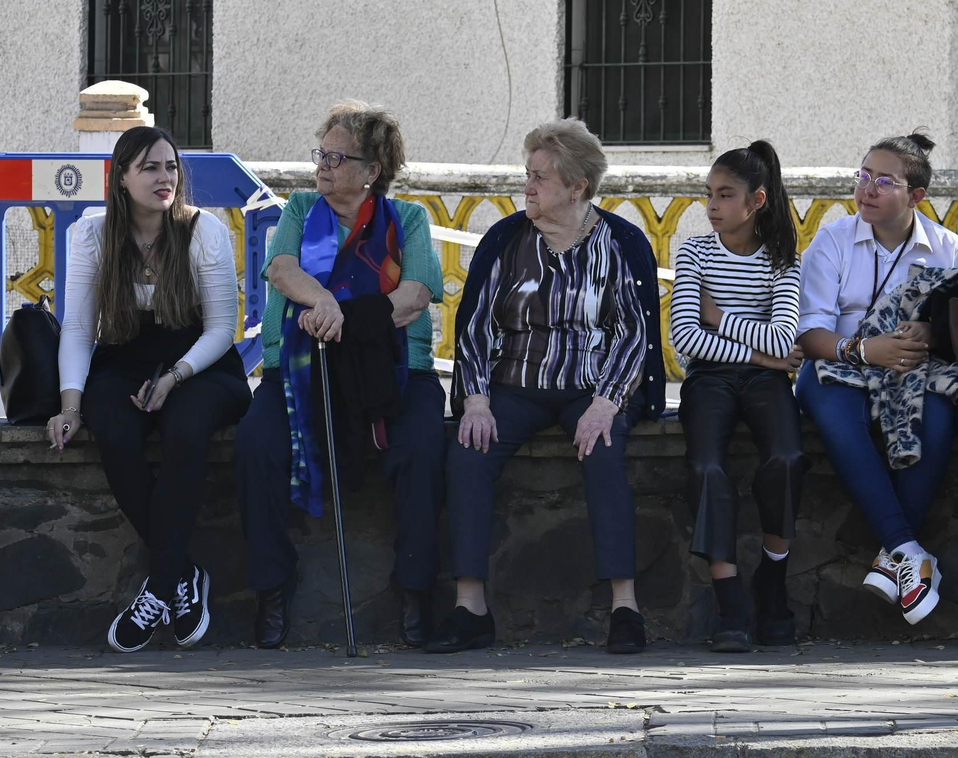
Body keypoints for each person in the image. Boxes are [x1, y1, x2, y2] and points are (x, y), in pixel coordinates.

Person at [431, 118, 665, 655]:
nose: (528, 187)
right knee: (468, 448)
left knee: (604, 448)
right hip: (514, 384)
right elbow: (474, 326)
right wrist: (477, 400)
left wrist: (607, 403)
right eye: (528, 174)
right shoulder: (507, 240)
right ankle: (471, 609)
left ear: (577, 187)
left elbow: (635, 333)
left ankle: (625, 608)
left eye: (540, 177)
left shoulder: (621, 243)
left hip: (592, 385)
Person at [235, 101, 445, 649]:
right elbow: (282, 269)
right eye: (321, 154)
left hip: (394, 371)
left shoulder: (409, 220)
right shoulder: (302, 208)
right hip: (303, 368)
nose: (323, 166)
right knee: (258, 445)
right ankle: (272, 586)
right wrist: (325, 299)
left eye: (337, 156)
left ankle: (415, 589)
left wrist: (343, 318)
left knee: (422, 450)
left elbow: (416, 295)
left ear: (371, 169)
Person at [50, 126, 250, 653]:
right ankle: (182, 574)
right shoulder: (92, 235)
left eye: (171, 167)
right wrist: (70, 404)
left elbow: (221, 329)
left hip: (202, 366)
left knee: (186, 427)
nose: (166, 179)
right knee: (111, 428)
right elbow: (77, 330)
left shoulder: (203, 230)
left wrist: (175, 376)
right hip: (124, 361)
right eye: (150, 168)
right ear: (119, 178)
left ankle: (160, 585)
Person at [796, 132, 958, 626]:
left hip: (914, 370)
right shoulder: (832, 240)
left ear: (916, 196)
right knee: (833, 409)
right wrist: (863, 349)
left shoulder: (948, 248)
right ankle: (907, 551)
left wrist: (932, 332)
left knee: (937, 416)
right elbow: (809, 333)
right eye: (864, 176)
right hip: (840, 363)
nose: (867, 189)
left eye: (884, 181)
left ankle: (890, 558)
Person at [670, 140, 807, 652]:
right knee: (707, 467)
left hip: (764, 383)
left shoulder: (783, 260)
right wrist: (764, 357)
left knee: (789, 458)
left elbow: (785, 336)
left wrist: (720, 316)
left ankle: (773, 578)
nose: (711, 206)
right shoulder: (694, 251)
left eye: (725, 195)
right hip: (709, 379)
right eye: (708, 194)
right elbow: (685, 339)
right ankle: (729, 597)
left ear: (757, 200)